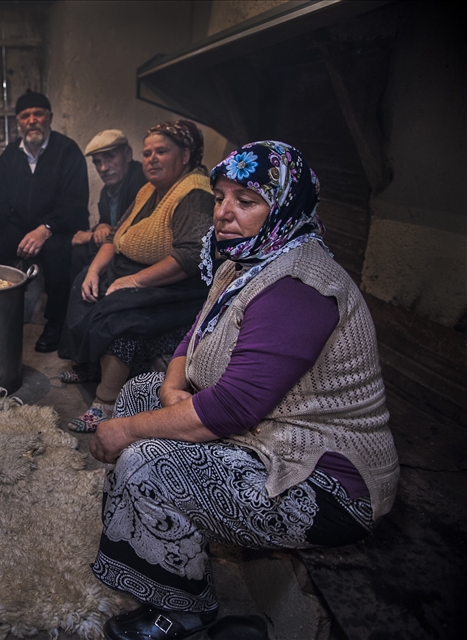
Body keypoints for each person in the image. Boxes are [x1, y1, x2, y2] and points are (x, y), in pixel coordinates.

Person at [89, 141, 399, 640]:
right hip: (262, 433)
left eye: (246, 200)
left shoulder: (300, 284)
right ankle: (172, 536)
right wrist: (171, 390)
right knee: (142, 391)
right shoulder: (247, 260)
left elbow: (232, 407)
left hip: (321, 480)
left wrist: (124, 432)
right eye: (219, 197)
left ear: (283, 205)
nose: (224, 213)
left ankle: (185, 609)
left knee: (144, 460)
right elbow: (199, 330)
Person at [59, 120, 213, 433]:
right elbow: (115, 237)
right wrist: (93, 271)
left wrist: (133, 281)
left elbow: (191, 258)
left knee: (119, 313)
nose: (152, 159)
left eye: (161, 152)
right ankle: (89, 364)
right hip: (133, 270)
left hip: (177, 287)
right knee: (83, 285)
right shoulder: (148, 190)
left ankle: (106, 402)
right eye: (147, 153)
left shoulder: (194, 193)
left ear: (185, 156)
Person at [0, 90, 89, 352]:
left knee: (58, 253)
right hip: (20, 226)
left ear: (49, 117)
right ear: (18, 122)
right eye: (25, 115)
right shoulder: (10, 155)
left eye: (38, 114)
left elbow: (75, 203)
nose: (32, 120)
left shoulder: (67, 150)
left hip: (58, 227)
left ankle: (54, 323)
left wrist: (46, 230)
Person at [71, 129, 146, 281]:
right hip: (114, 250)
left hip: (136, 260)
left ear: (128, 154)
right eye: (97, 162)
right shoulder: (107, 190)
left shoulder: (140, 183)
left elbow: (128, 237)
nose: (103, 168)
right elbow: (106, 225)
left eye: (109, 157)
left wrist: (89, 237)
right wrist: (101, 227)